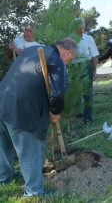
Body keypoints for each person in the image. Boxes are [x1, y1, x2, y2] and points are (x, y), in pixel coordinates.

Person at [0, 38, 77, 197]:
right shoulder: (56, 60)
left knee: (4, 144)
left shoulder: (31, 50)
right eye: (70, 60)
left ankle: (4, 177)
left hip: (2, 101)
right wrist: (56, 111)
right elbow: (57, 93)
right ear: (67, 52)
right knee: (31, 148)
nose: (68, 63)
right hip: (23, 109)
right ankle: (34, 192)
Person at [71, 18, 99, 125]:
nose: (82, 30)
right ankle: (78, 115)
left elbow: (94, 56)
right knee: (75, 94)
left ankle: (88, 119)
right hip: (73, 67)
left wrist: (94, 71)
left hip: (86, 66)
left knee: (87, 93)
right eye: (79, 28)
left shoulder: (89, 39)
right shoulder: (69, 39)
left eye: (83, 28)